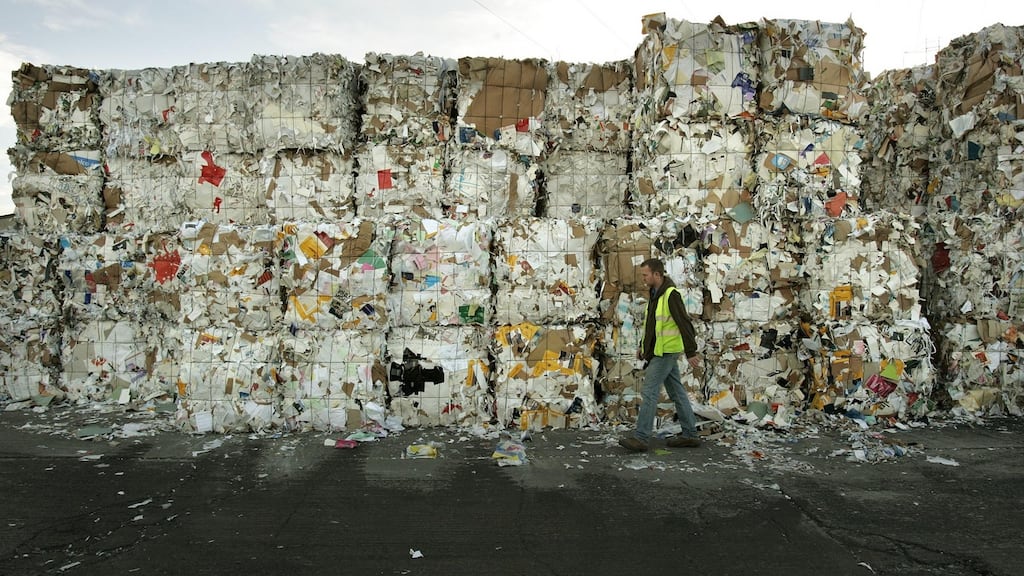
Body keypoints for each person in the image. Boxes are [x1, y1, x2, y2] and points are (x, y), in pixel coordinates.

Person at [619, 258, 702, 452]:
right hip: (658, 351)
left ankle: (641, 438)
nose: (643, 278)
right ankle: (690, 434)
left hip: (667, 352)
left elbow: (685, 323)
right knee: (677, 392)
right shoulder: (655, 294)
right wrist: (643, 348)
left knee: (649, 392)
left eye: (645, 274)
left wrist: (691, 351)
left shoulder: (671, 295)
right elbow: (651, 325)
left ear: (657, 274)